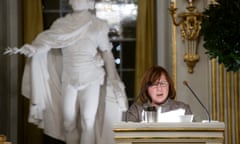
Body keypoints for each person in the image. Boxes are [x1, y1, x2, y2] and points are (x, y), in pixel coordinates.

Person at [4, 0, 128, 144]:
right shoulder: (61, 25)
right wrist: (35, 49)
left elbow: (107, 54)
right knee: (68, 123)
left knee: (88, 122)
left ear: (89, 2)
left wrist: (113, 78)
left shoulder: (97, 25)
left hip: (91, 79)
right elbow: (47, 43)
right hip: (68, 79)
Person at [127, 65, 192, 122]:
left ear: (169, 86)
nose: (159, 89)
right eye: (154, 84)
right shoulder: (136, 110)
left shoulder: (183, 108)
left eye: (163, 84)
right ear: (146, 88)